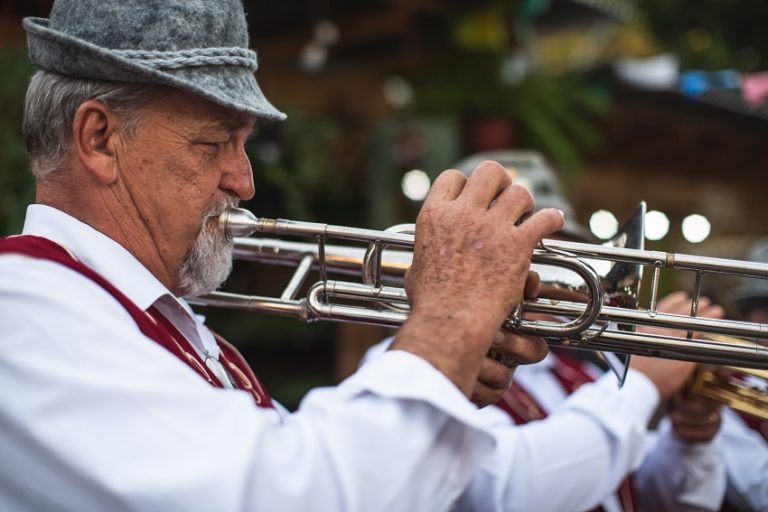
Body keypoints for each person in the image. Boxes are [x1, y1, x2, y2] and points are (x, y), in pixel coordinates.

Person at [0, 1, 570, 510]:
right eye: (213, 143)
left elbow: (294, 462)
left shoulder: (161, 323)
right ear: (100, 139)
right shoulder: (22, 304)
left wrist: (445, 379)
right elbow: (287, 493)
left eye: (244, 144)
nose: (243, 181)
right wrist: (450, 325)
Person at [360, 151, 731, 511]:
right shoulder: (405, 362)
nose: (545, 280)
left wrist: (690, 438)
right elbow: (502, 492)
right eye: (521, 252)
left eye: (557, 255)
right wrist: (642, 384)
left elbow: (656, 499)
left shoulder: (579, 374)